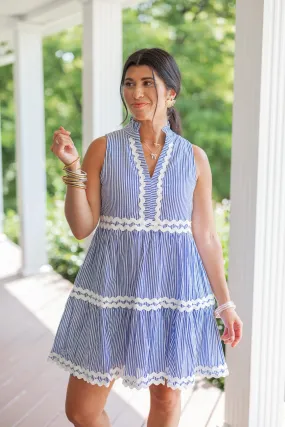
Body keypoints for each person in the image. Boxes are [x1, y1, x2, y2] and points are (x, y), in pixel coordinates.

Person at [48, 47, 243, 427]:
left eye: (147, 83)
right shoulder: (103, 148)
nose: (136, 93)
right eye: (129, 83)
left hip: (173, 291)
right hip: (110, 289)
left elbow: (205, 235)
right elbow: (81, 226)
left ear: (171, 93)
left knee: (166, 403)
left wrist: (225, 304)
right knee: (82, 410)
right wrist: (73, 168)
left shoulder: (194, 158)